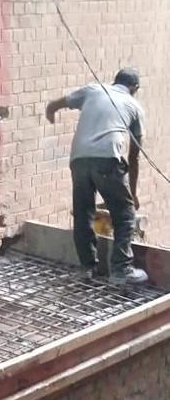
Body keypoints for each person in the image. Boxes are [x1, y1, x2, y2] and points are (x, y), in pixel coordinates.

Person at [45, 68, 148, 284]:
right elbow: (134, 156)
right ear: (135, 88)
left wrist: (50, 112)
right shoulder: (134, 106)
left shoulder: (94, 90)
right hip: (107, 159)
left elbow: (56, 104)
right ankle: (121, 270)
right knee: (125, 214)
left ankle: (86, 268)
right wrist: (132, 193)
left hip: (78, 159)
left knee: (83, 213)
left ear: (115, 80)